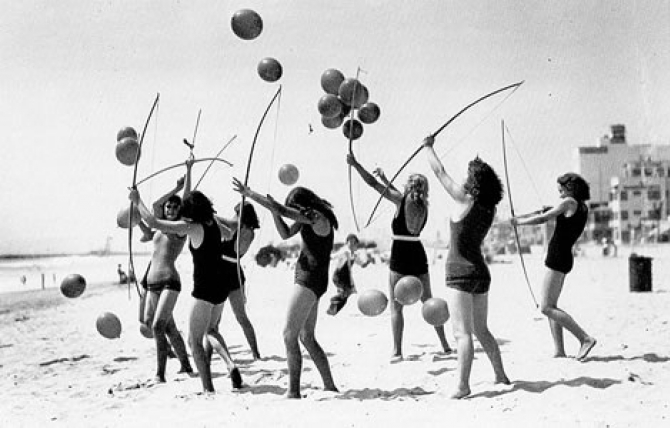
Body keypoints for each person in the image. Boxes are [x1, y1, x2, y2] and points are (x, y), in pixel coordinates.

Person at [129, 161, 242, 393]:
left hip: (204, 288)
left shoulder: (191, 228)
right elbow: (229, 233)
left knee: (194, 341)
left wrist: (136, 199)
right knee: (211, 330)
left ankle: (208, 389)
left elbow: (151, 222)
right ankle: (230, 365)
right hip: (222, 285)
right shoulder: (213, 223)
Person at [232, 179, 338, 399]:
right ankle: (329, 386)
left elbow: (282, 209)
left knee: (289, 335)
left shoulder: (316, 217)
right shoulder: (308, 219)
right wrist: (274, 212)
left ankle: (293, 391)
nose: (293, 212)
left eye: (294, 208)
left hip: (309, 281)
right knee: (307, 337)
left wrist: (251, 194)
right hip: (312, 280)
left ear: (302, 205)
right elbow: (285, 233)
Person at [424, 135, 510, 399]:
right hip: (480, 272)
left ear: (473, 181)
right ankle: (501, 375)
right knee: (482, 330)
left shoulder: (466, 199)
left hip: (459, 272)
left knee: (462, 334)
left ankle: (462, 385)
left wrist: (428, 147)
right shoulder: (490, 208)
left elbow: (439, 172)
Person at [347, 153, 452, 361]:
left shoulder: (400, 200)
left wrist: (356, 164)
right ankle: (445, 345)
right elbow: (396, 193)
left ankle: (397, 351)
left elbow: (372, 184)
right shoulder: (423, 206)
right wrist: (386, 180)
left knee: (396, 305)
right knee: (428, 300)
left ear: (408, 187)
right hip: (417, 253)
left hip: (400, 254)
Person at [511, 172, 596, 361]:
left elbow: (543, 218)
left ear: (569, 188)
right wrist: (520, 216)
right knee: (552, 305)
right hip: (564, 257)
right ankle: (559, 350)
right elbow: (543, 212)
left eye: (561, 189)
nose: (559, 193)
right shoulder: (580, 206)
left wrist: (519, 223)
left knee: (546, 308)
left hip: (557, 258)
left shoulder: (569, 203)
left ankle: (585, 338)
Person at [134, 176, 193, 383]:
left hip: (170, 282)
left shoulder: (179, 228)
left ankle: (160, 374)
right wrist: (175, 187)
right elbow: (156, 206)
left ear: (180, 211)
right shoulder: (159, 229)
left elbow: (155, 211)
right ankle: (186, 364)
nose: (170, 209)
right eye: (169, 206)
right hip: (152, 284)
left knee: (158, 326)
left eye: (175, 207)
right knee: (167, 327)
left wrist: (136, 200)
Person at [210, 201, 262, 360]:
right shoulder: (248, 231)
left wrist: (206, 212)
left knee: (214, 320)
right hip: (235, 272)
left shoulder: (238, 228)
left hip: (223, 271)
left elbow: (219, 221)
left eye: (237, 213)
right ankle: (255, 353)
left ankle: (210, 354)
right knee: (241, 317)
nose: (234, 216)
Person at [327, 233, 366, 316]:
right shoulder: (344, 251)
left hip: (346, 278)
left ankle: (333, 310)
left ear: (356, 244)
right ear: (346, 243)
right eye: (350, 242)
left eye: (354, 242)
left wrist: (368, 261)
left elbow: (362, 265)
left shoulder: (354, 255)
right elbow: (332, 256)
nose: (352, 244)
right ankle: (333, 302)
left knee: (347, 295)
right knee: (343, 293)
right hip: (339, 276)